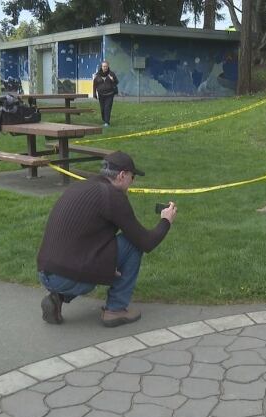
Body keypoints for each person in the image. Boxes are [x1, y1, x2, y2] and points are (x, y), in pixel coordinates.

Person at [37, 151, 177, 327]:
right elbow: (145, 242)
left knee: (102, 252)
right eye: (132, 177)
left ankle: (58, 297)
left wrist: (104, 264)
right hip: (65, 275)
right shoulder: (113, 197)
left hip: (44, 271)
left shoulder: (81, 186)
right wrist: (166, 221)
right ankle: (115, 310)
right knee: (132, 245)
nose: (132, 182)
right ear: (122, 175)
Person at [92, 60, 119, 127]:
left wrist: (112, 80)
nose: (105, 68)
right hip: (101, 94)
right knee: (102, 108)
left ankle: (107, 122)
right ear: (101, 67)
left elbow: (116, 82)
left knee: (107, 107)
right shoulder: (97, 75)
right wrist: (94, 94)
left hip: (110, 94)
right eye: (104, 66)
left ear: (108, 66)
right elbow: (94, 85)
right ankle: (104, 120)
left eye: (106, 66)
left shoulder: (111, 74)